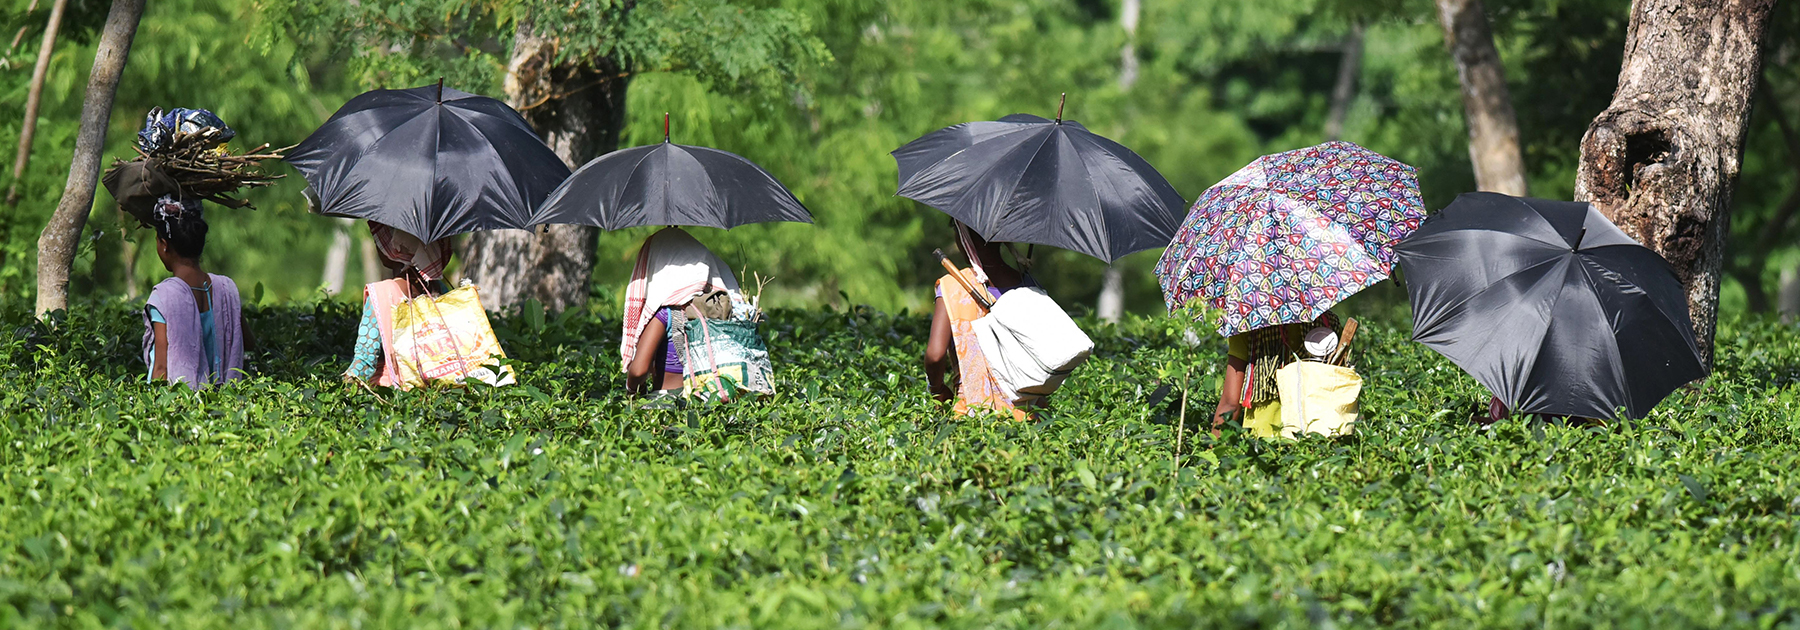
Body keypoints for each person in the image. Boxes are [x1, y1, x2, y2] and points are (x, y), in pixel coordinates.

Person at [924, 222, 1039, 421]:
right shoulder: (1028, 285)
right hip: (1026, 417)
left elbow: (935, 356)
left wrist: (938, 389)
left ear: (963, 237)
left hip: (972, 416)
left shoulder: (952, 286)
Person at [621, 227, 741, 401]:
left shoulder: (667, 313)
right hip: (713, 401)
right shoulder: (719, 306)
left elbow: (639, 370)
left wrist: (632, 390)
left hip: (670, 402)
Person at [142, 196, 248, 389]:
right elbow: (246, 341)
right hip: (226, 403)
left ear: (164, 245)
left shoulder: (164, 296)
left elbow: (160, 368)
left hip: (183, 406)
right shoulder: (227, 288)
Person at [343, 223, 452, 386]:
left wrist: (340, 390)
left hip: (394, 393)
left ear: (397, 250)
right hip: (437, 387)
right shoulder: (441, 291)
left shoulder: (382, 293)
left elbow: (365, 360)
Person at [1212, 312, 1342, 438]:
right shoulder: (1327, 324)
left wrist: (1213, 453)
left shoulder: (1247, 325)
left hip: (1264, 440)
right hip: (1318, 437)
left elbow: (1230, 404)